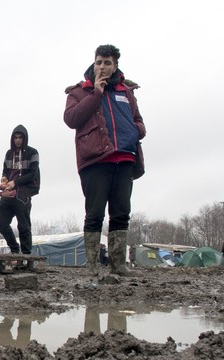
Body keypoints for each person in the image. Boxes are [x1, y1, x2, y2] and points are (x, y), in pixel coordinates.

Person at [64, 44, 146, 276]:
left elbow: (138, 121)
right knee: (95, 213)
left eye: (107, 63)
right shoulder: (79, 92)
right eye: (99, 62)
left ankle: (119, 266)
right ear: (94, 63)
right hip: (95, 160)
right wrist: (96, 93)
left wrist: (134, 132)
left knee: (121, 213)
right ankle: (91, 267)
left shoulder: (125, 92)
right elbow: (71, 119)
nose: (102, 66)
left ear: (115, 65)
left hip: (124, 158)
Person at [0, 125, 40, 255]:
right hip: (7, 193)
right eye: (15, 137)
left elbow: (32, 174)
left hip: (23, 193)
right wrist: (4, 178)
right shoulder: (9, 154)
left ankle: (26, 256)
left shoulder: (33, 153)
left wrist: (15, 182)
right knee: (1, 224)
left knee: (24, 227)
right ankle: (15, 250)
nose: (18, 140)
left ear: (25, 138)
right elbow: (5, 170)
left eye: (20, 137)